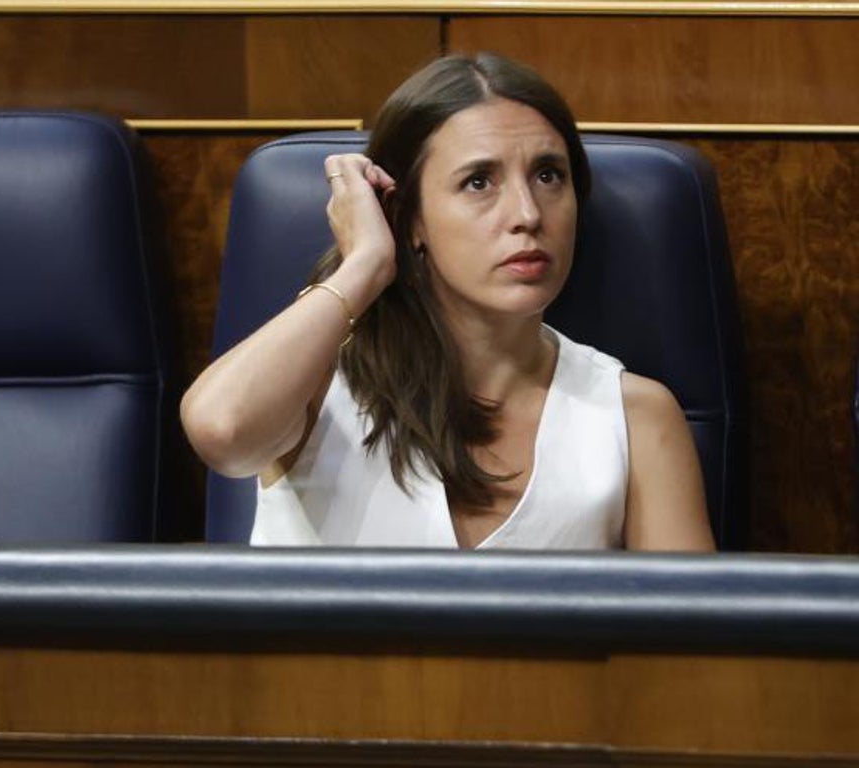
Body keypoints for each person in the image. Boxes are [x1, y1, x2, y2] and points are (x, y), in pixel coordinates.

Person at [181, 52, 715, 551]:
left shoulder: (634, 416)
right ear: (409, 217)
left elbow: (684, 622)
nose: (528, 214)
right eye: (479, 182)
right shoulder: (319, 384)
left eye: (549, 175)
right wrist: (366, 263)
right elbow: (221, 430)